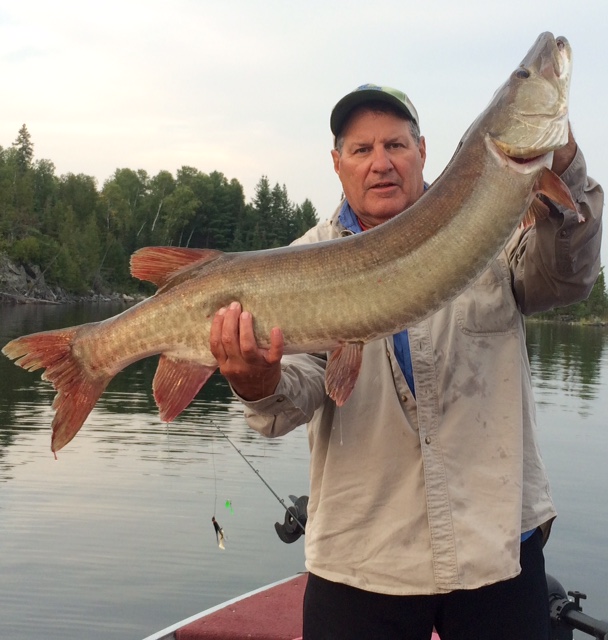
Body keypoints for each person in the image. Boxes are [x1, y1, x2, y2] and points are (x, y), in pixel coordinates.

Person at [209, 84, 603, 639]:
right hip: (363, 557)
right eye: (361, 149)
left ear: (422, 150)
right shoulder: (301, 263)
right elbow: (295, 394)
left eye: (395, 145)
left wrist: (567, 164)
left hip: (494, 549)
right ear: (336, 163)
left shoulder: (492, 227)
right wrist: (258, 383)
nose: (380, 163)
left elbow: (570, 274)